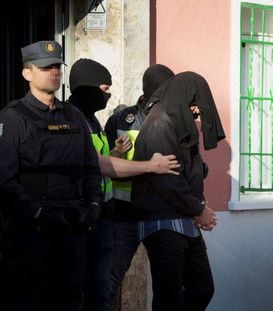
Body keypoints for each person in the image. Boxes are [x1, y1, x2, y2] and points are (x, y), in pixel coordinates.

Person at [67, 59, 179, 311]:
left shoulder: (92, 120)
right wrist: (151, 166)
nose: (108, 95)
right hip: (110, 215)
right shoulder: (91, 120)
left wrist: (117, 152)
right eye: (105, 89)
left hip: (150, 214)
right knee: (100, 285)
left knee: (165, 285)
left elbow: (105, 162)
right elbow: (101, 166)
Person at [0, 40, 102, 310]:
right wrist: (38, 214)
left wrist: (92, 207)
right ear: (27, 73)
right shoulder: (13, 118)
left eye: (57, 66)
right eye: (46, 67)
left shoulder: (75, 116)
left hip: (73, 227)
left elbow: (91, 168)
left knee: (70, 299)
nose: (54, 72)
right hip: (33, 231)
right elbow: (5, 180)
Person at [131, 71, 226, 311]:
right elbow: (167, 180)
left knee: (202, 288)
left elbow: (186, 170)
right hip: (163, 223)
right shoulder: (160, 123)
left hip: (184, 220)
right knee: (169, 296)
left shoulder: (175, 120)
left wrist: (198, 206)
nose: (197, 111)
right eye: (194, 103)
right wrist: (199, 209)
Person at [103, 64, 175, 307]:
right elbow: (106, 160)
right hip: (125, 215)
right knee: (109, 280)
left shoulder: (174, 118)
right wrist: (119, 153)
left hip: (160, 215)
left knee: (167, 284)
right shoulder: (122, 119)